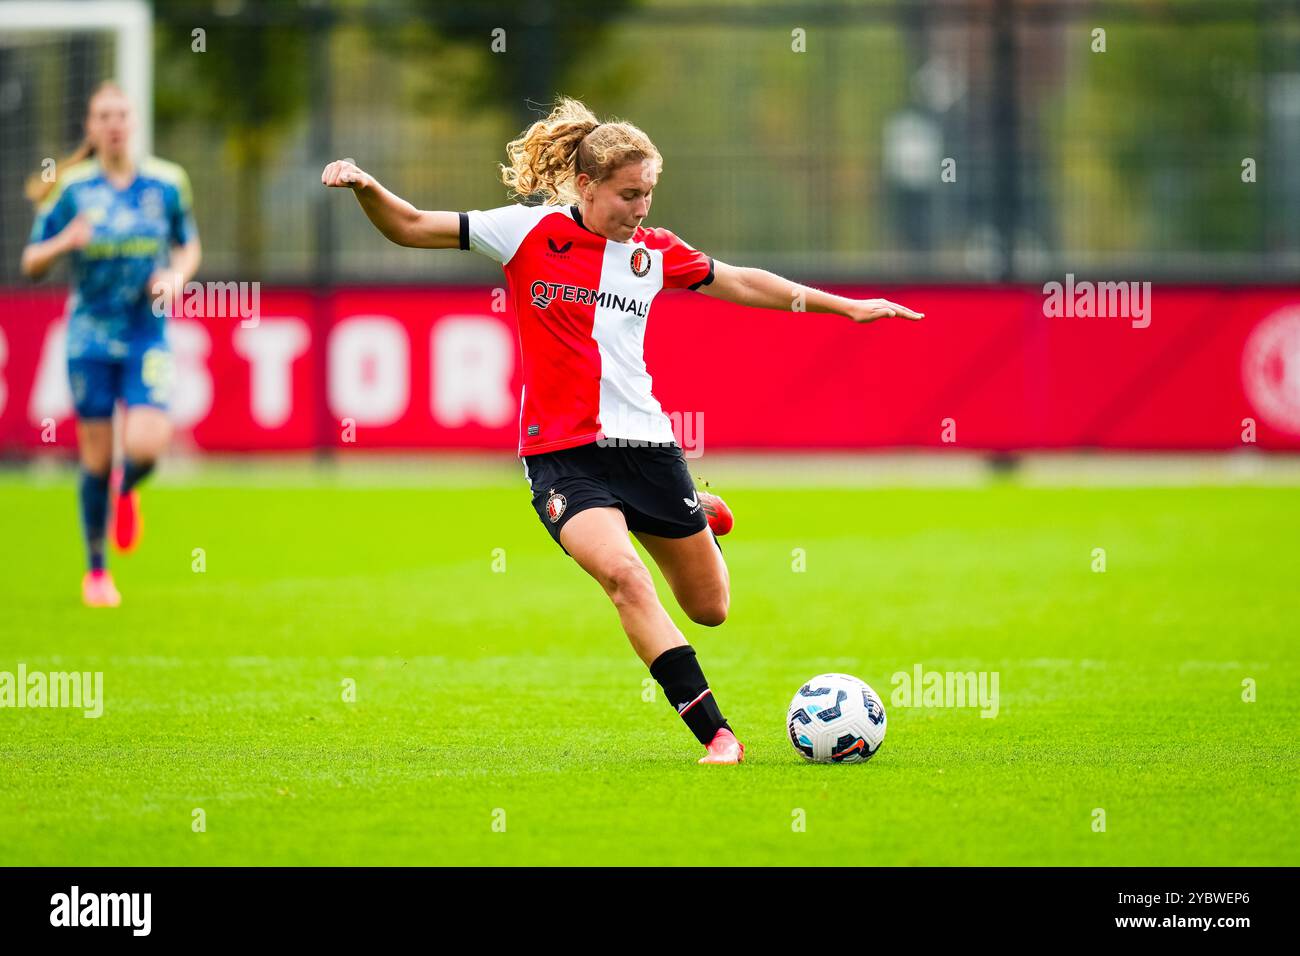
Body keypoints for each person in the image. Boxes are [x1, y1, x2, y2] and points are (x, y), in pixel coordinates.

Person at [322, 96, 921, 764]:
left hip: (647, 449)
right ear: (586, 186)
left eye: (649, 195)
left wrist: (847, 307)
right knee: (624, 578)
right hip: (561, 456)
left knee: (710, 607)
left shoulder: (654, 253)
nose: (642, 210)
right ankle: (718, 734)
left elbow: (746, 284)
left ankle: (702, 514)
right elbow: (408, 226)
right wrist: (366, 186)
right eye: (628, 195)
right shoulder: (525, 233)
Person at [22, 81, 201, 607]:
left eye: (122, 114)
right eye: (104, 115)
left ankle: (129, 488)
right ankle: (96, 573)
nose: (115, 124)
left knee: (148, 445)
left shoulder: (167, 183)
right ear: (91, 127)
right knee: (94, 460)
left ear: (133, 122)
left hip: (147, 335)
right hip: (89, 340)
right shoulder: (72, 189)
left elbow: (187, 245)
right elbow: (31, 263)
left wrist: (176, 276)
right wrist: (63, 241)